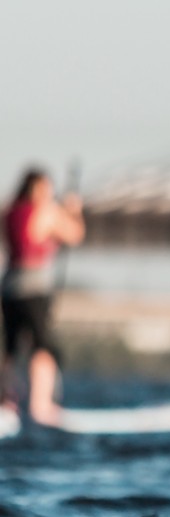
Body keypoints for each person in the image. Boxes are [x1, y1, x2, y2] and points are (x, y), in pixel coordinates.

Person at [3, 168, 84, 425]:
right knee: (43, 348)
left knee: (11, 349)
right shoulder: (45, 210)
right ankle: (41, 406)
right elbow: (74, 234)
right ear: (38, 189)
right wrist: (73, 212)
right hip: (34, 288)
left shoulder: (10, 212)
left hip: (9, 287)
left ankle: (7, 404)